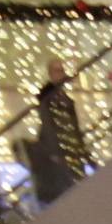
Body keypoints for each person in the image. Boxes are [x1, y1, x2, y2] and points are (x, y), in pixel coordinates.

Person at [29, 60, 87, 205]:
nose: (61, 74)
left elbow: (73, 127)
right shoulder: (49, 98)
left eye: (62, 70)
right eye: (57, 71)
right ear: (50, 74)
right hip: (60, 153)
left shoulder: (62, 98)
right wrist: (54, 152)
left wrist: (82, 150)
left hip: (69, 151)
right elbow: (49, 125)